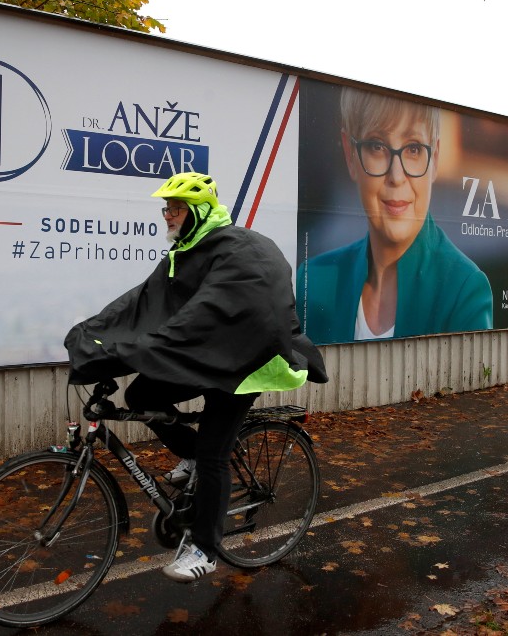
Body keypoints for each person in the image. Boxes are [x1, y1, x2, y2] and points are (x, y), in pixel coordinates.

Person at [66, 172, 328, 582]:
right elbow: (140, 304)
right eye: (165, 208)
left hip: (251, 362)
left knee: (213, 454)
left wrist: (145, 349)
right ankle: (191, 457)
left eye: (176, 208)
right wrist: (96, 337)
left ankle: (205, 547)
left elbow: (202, 313)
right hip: (212, 356)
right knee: (143, 395)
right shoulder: (187, 251)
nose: (167, 215)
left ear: (199, 211)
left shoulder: (238, 249)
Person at [297, 88, 493, 344]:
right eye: (377, 146)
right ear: (350, 155)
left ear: (434, 158)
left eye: (413, 149)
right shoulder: (313, 281)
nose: (397, 176)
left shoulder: (463, 290)